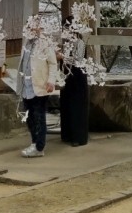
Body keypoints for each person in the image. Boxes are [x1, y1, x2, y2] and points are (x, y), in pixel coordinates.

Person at [15, 14, 57, 157]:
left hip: (40, 84)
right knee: (29, 116)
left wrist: (51, 81)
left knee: (39, 116)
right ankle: (34, 143)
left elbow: (52, 63)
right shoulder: (26, 42)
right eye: (29, 25)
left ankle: (39, 147)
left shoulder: (45, 42)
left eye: (33, 25)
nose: (31, 28)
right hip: (26, 85)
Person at [58, 17, 89, 147]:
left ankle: (78, 136)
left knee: (77, 106)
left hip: (77, 76)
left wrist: (62, 57)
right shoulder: (66, 43)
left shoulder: (80, 42)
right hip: (67, 76)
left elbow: (78, 59)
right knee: (66, 104)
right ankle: (67, 134)